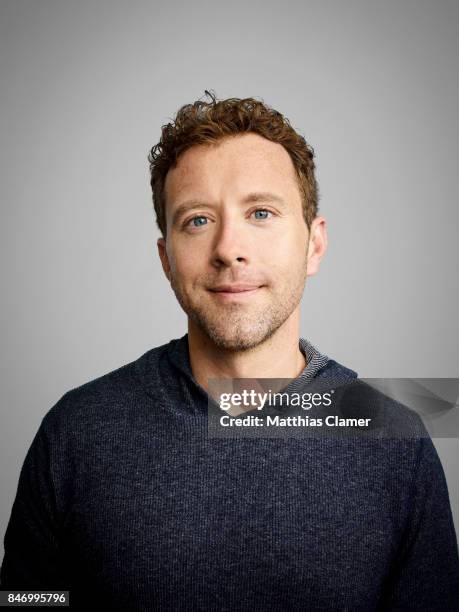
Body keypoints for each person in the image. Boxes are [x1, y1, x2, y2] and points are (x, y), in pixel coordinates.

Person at [1, 92, 458, 611]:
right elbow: (25, 598)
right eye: (197, 220)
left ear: (314, 244)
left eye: (261, 212)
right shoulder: (75, 432)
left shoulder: (394, 435)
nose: (227, 249)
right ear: (166, 258)